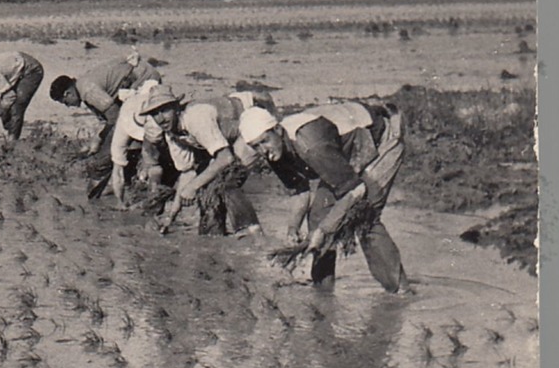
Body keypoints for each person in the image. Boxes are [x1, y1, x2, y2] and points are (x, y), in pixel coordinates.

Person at [240, 100, 412, 294]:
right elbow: (301, 191)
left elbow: (355, 191)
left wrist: (323, 231)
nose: (263, 150)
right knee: (318, 215)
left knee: (364, 218)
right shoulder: (275, 152)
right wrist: (292, 228)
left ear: (278, 130)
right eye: (255, 146)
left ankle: (400, 292)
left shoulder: (310, 146)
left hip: (379, 139)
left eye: (264, 141)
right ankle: (322, 291)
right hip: (344, 150)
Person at [145, 91, 271, 235]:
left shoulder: (196, 118)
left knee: (228, 180)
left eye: (164, 110)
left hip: (250, 122)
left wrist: (193, 186)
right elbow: (187, 172)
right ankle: (214, 236)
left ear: (176, 108)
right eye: (155, 114)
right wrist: (172, 215)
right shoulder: (172, 134)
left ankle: (252, 230)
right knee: (207, 191)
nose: (160, 118)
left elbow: (225, 158)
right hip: (227, 138)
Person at [49, 49, 156, 152]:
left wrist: (100, 138)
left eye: (66, 102)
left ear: (68, 94)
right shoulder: (81, 86)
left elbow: (114, 115)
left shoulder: (87, 91)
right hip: (134, 76)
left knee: (133, 125)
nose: (68, 106)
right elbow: (105, 117)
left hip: (144, 78)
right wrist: (96, 139)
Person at [107, 82, 179, 208]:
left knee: (155, 164)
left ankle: (154, 195)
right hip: (133, 113)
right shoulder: (124, 125)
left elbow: (155, 166)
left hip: (155, 126)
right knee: (139, 163)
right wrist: (119, 201)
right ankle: (151, 192)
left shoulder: (157, 120)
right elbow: (117, 171)